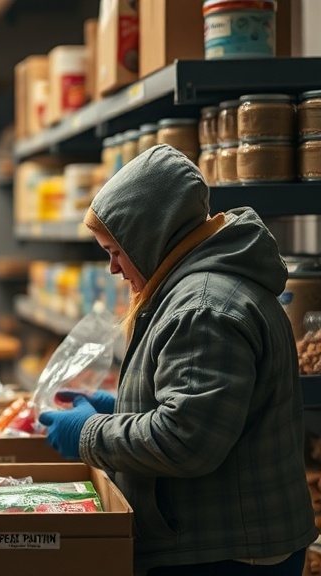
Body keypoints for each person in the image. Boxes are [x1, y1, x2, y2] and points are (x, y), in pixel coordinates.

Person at [39, 144, 316, 575]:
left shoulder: (202, 308)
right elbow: (203, 411)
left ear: (149, 237)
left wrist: (89, 435)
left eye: (115, 251)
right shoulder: (194, 291)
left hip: (230, 554)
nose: (113, 268)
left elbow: (186, 441)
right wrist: (122, 409)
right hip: (222, 540)